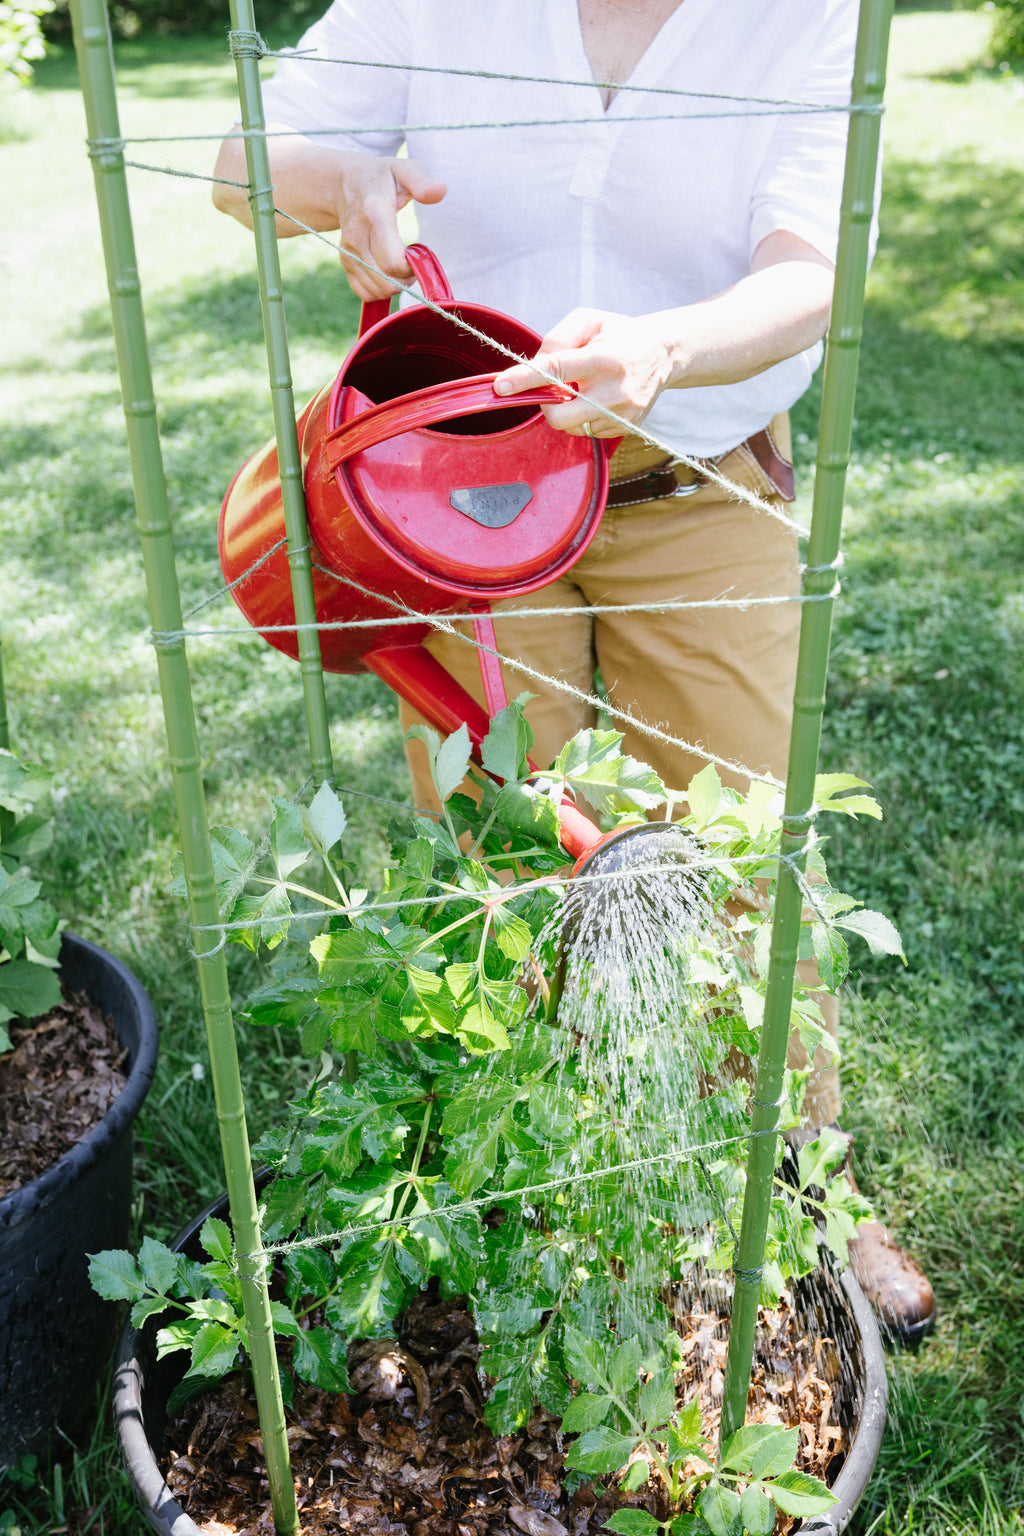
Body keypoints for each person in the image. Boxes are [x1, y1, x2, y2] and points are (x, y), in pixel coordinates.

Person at [212, 0, 934, 1343]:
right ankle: (519, 1175)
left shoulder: (810, 14)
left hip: (699, 482)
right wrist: (347, 184)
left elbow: (812, 262)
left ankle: (806, 1178)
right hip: (459, 498)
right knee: (492, 849)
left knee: (748, 844)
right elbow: (235, 153)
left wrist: (666, 350)